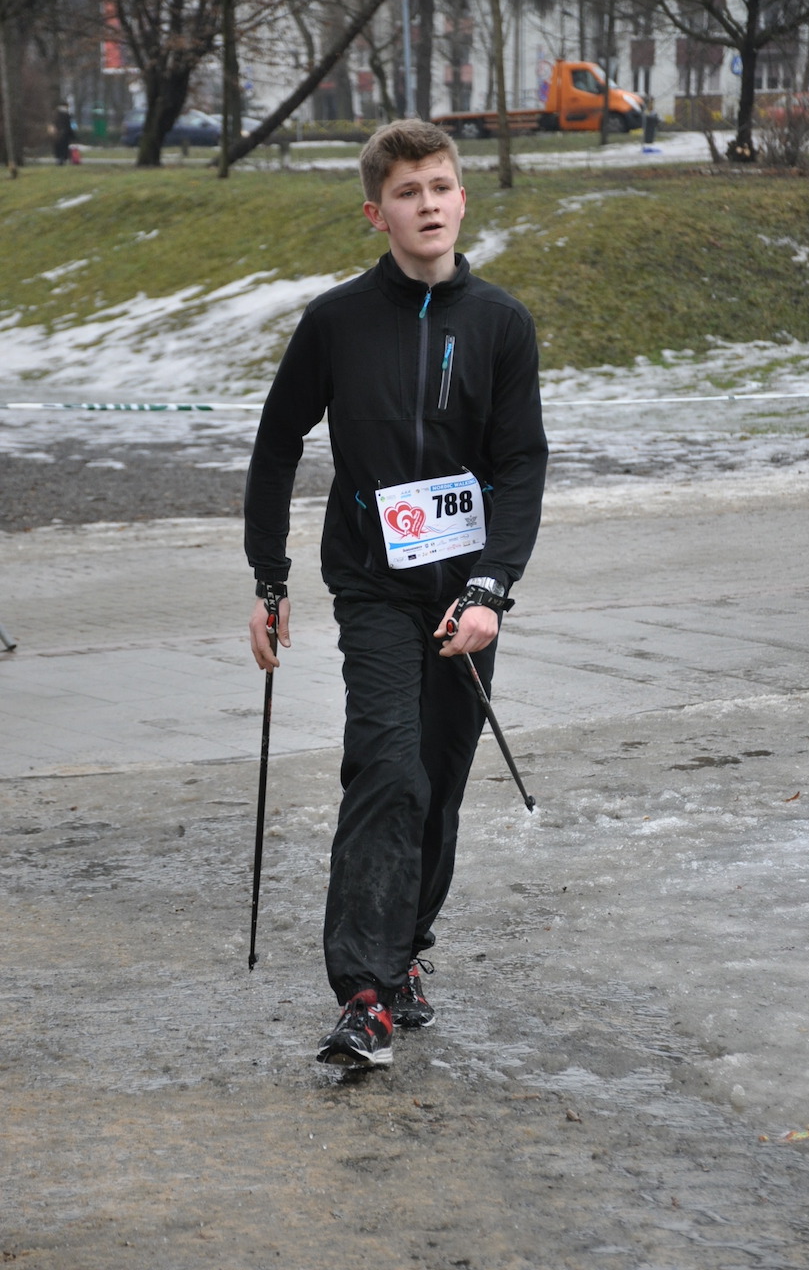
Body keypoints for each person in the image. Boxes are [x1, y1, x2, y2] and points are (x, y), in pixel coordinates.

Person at [244, 118, 547, 1069]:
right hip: (373, 586)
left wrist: (492, 586)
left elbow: (522, 464)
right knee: (387, 769)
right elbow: (276, 444)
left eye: (440, 187)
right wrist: (269, 578)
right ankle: (365, 995)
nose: (428, 205)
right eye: (407, 193)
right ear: (376, 213)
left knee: (439, 784)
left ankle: (407, 950)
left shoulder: (500, 323)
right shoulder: (337, 321)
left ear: (462, 198)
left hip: (466, 594)